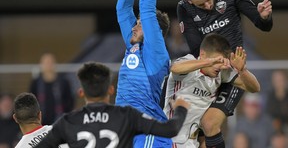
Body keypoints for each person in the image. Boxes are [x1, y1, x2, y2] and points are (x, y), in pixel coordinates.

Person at [175, 0, 273, 146]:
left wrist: (264, 17)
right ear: (190, 2)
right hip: (208, 74)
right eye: (201, 4)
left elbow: (262, 24)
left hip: (233, 73)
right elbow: (196, 48)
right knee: (197, 133)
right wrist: (214, 62)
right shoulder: (184, 8)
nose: (207, 5)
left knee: (209, 123)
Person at [35, 62, 190, 147]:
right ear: (110, 90)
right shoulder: (127, 115)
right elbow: (171, 129)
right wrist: (181, 108)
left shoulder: (68, 122)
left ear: (81, 92)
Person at [115, 0, 172, 147]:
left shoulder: (156, 53)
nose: (134, 27)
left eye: (139, 24)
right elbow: (122, 10)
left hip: (148, 133)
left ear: (152, 32)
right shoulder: (134, 47)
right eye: (137, 23)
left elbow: (147, 10)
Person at [163, 33, 260, 148]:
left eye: (222, 61)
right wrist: (209, 62)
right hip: (171, 139)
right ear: (202, 54)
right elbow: (175, 68)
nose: (219, 66)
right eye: (217, 60)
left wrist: (243, 71)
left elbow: (255, 88)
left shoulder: (220, 73)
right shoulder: (189, 62)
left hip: (191, 142)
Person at [30, 53, 75, 125]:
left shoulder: (63, 82)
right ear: (41, 65)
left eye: (50, 62)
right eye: (46, 63)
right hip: (40, 124)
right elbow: (30, 102)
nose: (48, 65)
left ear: (55, 64)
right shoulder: (36, 83)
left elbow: (70, 101)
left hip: (60, 122)